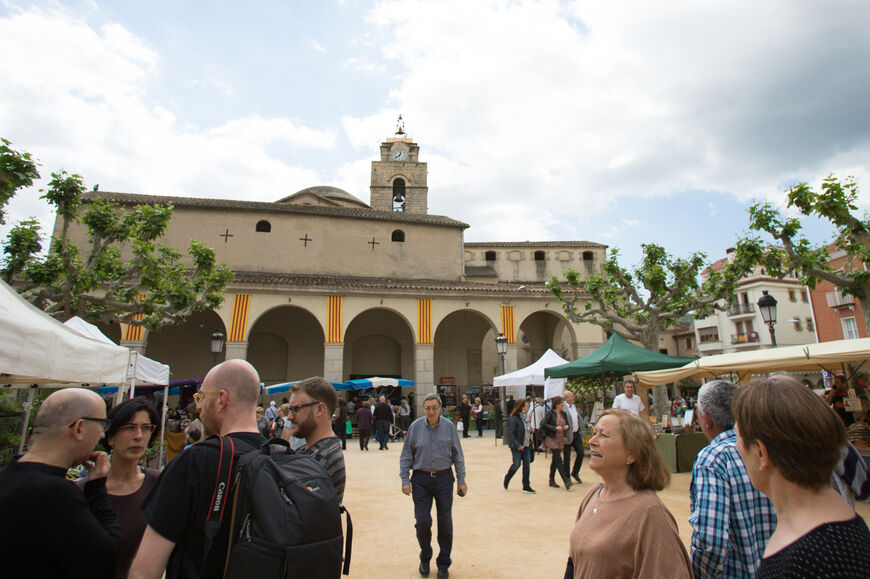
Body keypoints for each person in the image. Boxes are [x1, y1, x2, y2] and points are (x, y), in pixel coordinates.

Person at [129, 359, 267, 579]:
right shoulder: (279, 459)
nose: (199, 407)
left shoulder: (192, 463)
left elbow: (144, 573)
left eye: (201, 397)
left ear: (221, 399)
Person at [733, 377, 870, 577]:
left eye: (737, 437)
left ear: (761, 452)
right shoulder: (828, 533)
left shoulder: (815, 556)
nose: (736, 447)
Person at [0, 387, 122, 578]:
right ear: (79, 428)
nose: (102, 436)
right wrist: (97, 489)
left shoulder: (6, 477)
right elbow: (106, 560)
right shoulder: (55, 493)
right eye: (102, 425)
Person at [568, 409, 692, 578]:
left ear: (632, 453)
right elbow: (573, 564)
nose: (592, 441)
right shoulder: (593, 495)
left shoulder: (651, 513)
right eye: (594, 433)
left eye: (603, 435)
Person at [689, 380, 776, 578]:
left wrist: (700, 573)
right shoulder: (767, 446)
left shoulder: (713, 459)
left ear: (707, 419)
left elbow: (710, 541)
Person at [81, 397, 163, 579]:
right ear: (110, 437)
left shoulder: (158, 484)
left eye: (146, 428)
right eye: (130, 427)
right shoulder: (85, 490)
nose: (139, 436)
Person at [400, 393, 467, 579]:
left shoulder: (449, 427)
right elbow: (406, 455)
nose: (431, 411)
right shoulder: (415, 427)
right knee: (422, 522)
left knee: (445, 523)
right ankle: (425, 556)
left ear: (440, 409)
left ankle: (444, 563)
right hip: (420, 479)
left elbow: (457, 455)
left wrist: (461, 480)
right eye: (428, 408)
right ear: (424, 409)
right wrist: (405, 480)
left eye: (434, 408)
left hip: (444, 478)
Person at [289, 376, 346, 503]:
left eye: (295, 409)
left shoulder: (320, 459)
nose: (289, 417)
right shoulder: (316, 451)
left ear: (319, 409)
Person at [540, 395, 572, 490]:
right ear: (556, 404)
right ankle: (566, 480)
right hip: (551, 438)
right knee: (558, 459)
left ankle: (551, 479)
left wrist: (567, 427)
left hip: (560, 438)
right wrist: (554, 428)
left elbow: (567, 423)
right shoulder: (550, 413)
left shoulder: (563, 413)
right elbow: (544, 424)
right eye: (561, 403)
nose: (563, 404)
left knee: (555, 460)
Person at [504, 399, 535, 493]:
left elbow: (526, 427)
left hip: (526, 444)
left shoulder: (525, 417)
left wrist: (531, 429)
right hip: (517, 445)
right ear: (521, 407)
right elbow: (511, 434)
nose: (527, 407)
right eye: (526, 405)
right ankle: (507, 477)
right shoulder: (514, 418)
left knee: (527, 465)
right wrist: (517, 445)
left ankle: (526, 485)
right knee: (516, 464)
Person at [562, 390, 584, 484]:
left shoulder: (574, 406)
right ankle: (567, 477)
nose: (573, 397)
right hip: (567, 435)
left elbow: (577, 418)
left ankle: (575, 472)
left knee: (581, 453)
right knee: (567, 457)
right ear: (566, 398)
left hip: (576, 434)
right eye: (571, 396)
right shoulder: (563, 408)